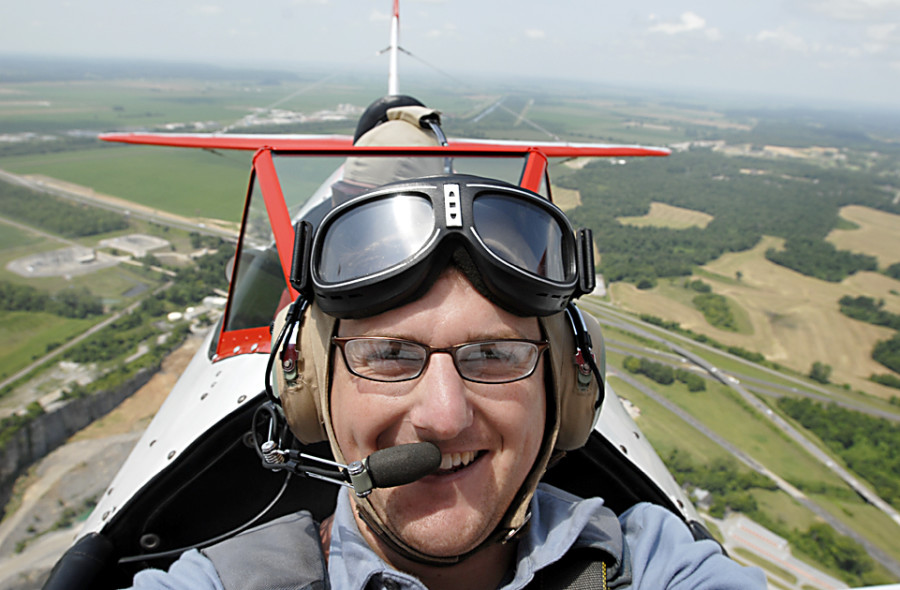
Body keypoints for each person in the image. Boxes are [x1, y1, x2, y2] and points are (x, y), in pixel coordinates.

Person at [125, 169, 767, 589]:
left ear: (565, 396)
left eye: (494, 354)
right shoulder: (223, 584)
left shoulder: (649, 564)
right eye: (389, 354)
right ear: (313, 388)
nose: (443, 415)